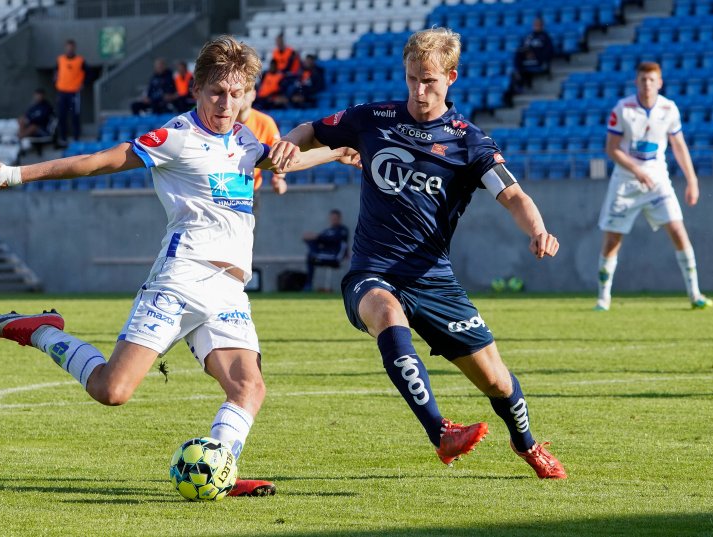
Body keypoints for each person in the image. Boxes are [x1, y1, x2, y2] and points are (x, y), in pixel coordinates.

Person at [0, 36, 357, 497]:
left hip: (229, 291)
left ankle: (219, 466)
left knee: (248, 387)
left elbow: (286, 162)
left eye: (237, 94)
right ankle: (42, 331)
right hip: (181, 280)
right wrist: (16, 174)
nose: (226, 103)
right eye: (217, 92)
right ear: (196, 88)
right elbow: (96, 162)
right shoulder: (175, 138)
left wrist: (340, 151)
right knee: (112, 391)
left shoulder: (244, 138)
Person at [280, 27, 566, 478]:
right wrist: (286, 148)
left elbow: (513, 196)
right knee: (387, 316)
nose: (418, 89)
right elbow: (310, 131)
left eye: (429, 80)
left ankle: (527, 445)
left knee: (496, 380)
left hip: (433, 279)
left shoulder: (469, 141)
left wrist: (538, 229)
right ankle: (441, 433)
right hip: (372, 271)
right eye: (412, 77)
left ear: (451, 77)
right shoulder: (372, 117)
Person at [596, 61, 712, 311]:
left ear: (660, 82)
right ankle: (603, 298)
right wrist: (636, 170)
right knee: (612, 239)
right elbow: (611, 149)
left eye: (651, 80)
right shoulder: (623, 109)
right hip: (626, 182)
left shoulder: (669, 108)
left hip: (658, 179)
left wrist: (692, 180)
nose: (647, 84)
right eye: (642, 79)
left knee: (678, 230)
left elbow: (679, 145)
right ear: (636, 82)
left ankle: (695, 294)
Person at [238, 85, 286, 194]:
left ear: (253, 95)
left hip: (250, 190)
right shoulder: (223, 121)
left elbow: (279, 154)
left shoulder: (265, 122)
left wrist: (279, 178)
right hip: (222, 188)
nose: (242, 96)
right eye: (238, 92)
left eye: (246, 91)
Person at [302, 209, 349, 292]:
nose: (333, 220)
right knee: (311, 247)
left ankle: (308, 284)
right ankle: (308, 284)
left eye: (335, 218)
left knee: (311, 255)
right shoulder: (328, 230)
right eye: (332, 218)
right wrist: (310, 237)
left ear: (339, 218)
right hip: (326, 254)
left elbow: (332, 238)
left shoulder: (342, 230)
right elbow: (319, 238)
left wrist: (316, 236)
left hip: (335, 257)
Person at [54, 39, 86, 146]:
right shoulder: (60, 59)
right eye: (67, 47)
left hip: (74, 93)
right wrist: (55, 78)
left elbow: (89, 73)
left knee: (74, 116)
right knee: (61, 116)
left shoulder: (80, 60)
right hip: (62, 92)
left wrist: (83, 83)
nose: (69, 50)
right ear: (65, 48)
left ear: (74, 48)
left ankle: (76, 138)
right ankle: (63, 138)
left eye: (71, 48)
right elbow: (56, 71)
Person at [511, 17, 554, 92]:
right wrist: (527, 52)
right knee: (518, 54)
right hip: (527, 58)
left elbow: (549, 50)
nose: (536, 26)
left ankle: (522, 80)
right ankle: (519, 79)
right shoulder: (529, 36)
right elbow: (522, 46)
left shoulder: (545, 36)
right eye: (535, 25)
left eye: (538, 25)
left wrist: (535, 54)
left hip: (539, 59)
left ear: (542, 26)